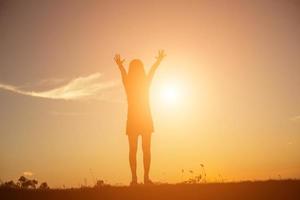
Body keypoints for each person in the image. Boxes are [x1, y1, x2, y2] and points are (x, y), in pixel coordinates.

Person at [114, 50, 166, 185]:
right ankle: (141, 178)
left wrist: (120, 66)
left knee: (135, 150)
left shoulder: (132, 84)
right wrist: (158, 61)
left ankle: (137, 179)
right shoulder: (142, 83)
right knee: (144, 150)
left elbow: (126, 74)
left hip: (137, 119)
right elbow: (152, 72)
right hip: (142, 119)